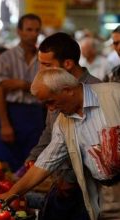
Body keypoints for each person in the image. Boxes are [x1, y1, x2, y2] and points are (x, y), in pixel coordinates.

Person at [0, 67, 120, 220]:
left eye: (51, 101)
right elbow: (45, 162)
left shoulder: (114, 94)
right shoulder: (63, 122)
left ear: (68, 90)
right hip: (105, 193)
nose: (51, 109)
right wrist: (11, 194)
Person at [26, 32, 101, 220]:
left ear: (67, 64)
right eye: (40, 64)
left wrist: (69, 178)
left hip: (86, 187)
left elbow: (92, 145)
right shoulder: (53, 87)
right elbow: (50, 131)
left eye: (47, 65)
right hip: (60, 179)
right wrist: (35, 157)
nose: (41, 71)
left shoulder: (95, 91)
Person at [0, 13, 44, 172]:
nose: (33, 34)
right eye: (29, 29)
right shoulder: (6, 58)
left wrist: (23, 85)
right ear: (19, 31)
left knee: (31, 163)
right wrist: (5, 124)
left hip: (36, 115)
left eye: (36, 30)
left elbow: (47, 89)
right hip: (10, 112)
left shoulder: (43, 60)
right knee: (5, 164)